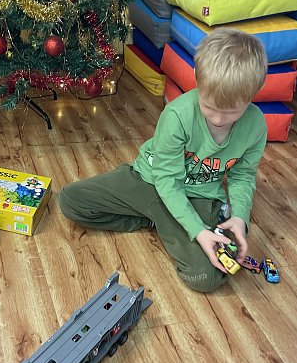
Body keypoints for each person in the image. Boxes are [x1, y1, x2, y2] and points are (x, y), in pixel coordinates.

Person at [59, 28, 268, 293]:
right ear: (197, 78)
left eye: (231, 112)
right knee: (70, 201)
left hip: (199, 196)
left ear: (253, 94)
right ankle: (159, 217)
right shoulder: (177, 114)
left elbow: (243, 176)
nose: (218, 119)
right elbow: (166, 179)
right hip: (149, 180)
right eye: (209, 107)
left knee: (206, 278)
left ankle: (162, 218)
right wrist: (196, 229)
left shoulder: (256, 125)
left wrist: (239, 217)